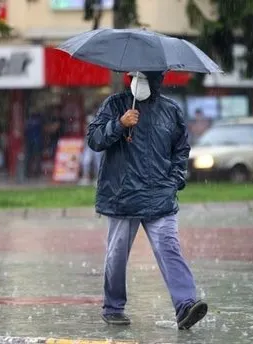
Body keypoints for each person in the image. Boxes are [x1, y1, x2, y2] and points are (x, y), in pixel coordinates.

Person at [87, 71, 208, 330]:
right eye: (135, 77)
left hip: (160, 196)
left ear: (157, 80)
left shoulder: (170, 110)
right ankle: (113, 306)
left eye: (146, 78)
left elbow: (181, 149)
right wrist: (119, 124)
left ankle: (185, 305)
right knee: (117, 254)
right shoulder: (114, 105)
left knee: (169, 248)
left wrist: (175, 179)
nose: (140, 83)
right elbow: (94, 140)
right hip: (122, 196)